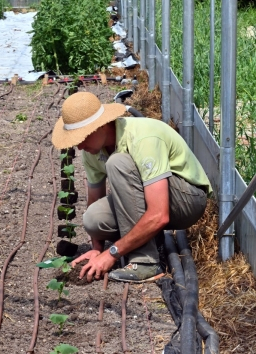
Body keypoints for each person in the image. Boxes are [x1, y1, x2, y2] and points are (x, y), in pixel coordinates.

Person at [52, 92, 212, 283]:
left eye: (82, 137)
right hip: (156, 199)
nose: (79, 147)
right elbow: (94, 200)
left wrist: (112, 253)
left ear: (101, 125)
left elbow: (160, 214)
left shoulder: (143, 138)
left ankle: (145, 263)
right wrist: (97, 249)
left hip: (188, 200)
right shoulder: (92, 151)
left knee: (117, 163)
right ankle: (149, 240)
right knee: (93, 219)